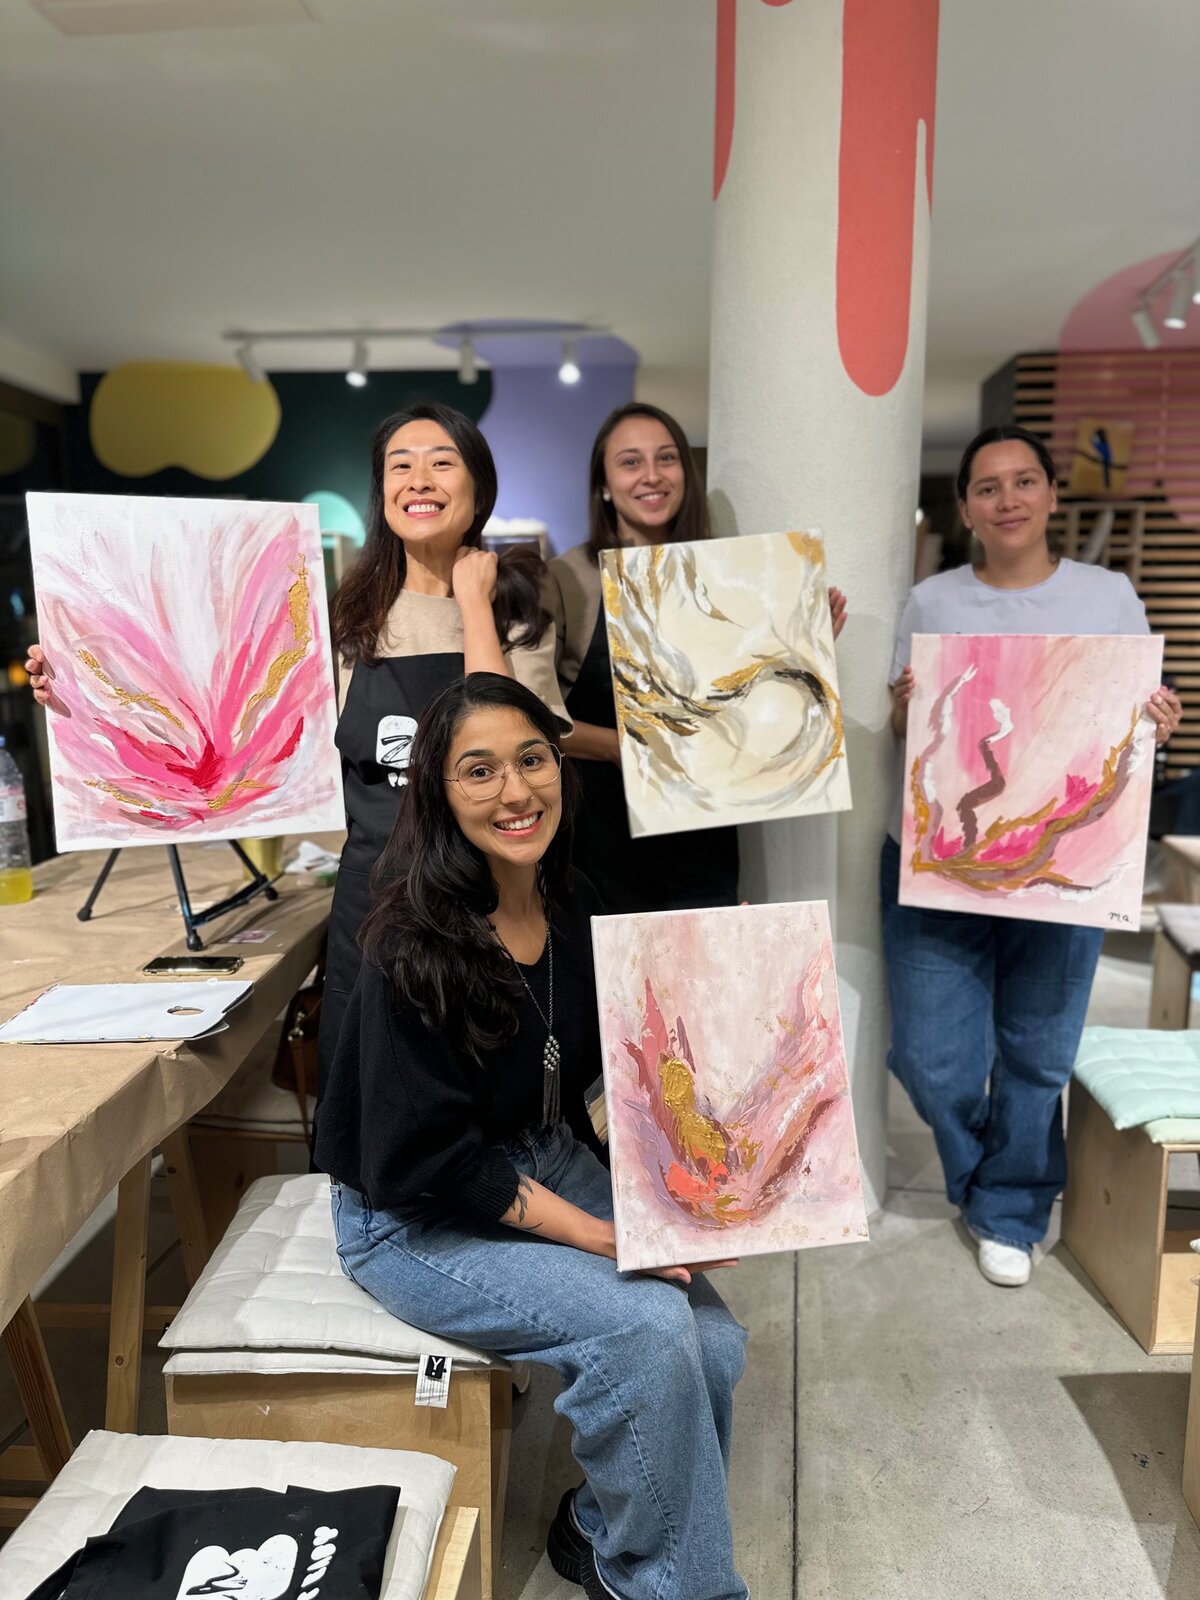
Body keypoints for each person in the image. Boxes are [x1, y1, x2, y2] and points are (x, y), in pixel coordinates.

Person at [315, 672, 748, 1600]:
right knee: (645, 1329)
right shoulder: (413, 947)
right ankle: (672, 1587)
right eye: (480, 771)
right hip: (413, 1210)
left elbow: (597, 1073)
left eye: (532, 759)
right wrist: (601, 1233)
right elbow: (433, 1160)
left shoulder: (570, 903)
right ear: (439, 792)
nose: (515, 791)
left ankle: (598, 1530)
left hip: (540, 1153)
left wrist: (691, 1183)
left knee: (713, 1343)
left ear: (561, 766)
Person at [24, 403, 567, 1114]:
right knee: (369, 1104)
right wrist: (81, 688)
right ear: (382, 491)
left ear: (479, 486)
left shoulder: (518, 609)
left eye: (442, 461)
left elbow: (505, 748)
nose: (419, 479)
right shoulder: (343, 619)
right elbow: (223, 716)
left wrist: (473, 605)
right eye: (399, 465)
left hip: (492, 901)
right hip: (377, 900)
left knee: (491, 1107)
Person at [882, 425, 1183, 1289]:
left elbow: (1130, 720)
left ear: (1051, 494)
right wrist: (905, 709)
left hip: (1064, 866)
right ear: (965, 509)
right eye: (987, 487)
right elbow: (908, 729)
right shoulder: (932, 600)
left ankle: (1009, 1208)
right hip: (943, 861)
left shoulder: (1108, 596)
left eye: (1023, 481)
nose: (1007, 499)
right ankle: (992, 1176)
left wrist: (1156, 723)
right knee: (932, 1058)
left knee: (1038, 1051)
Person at [545, 400, 847, 913]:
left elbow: (743, 713)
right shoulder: (567, 579)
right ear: (604, 484)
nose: (652, 475)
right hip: (598, 841)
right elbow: (533, 719)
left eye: (666, 458)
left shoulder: (728, 576)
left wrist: (802, 653)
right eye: (630, 462)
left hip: (702, 836)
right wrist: (627, 747)